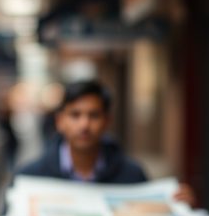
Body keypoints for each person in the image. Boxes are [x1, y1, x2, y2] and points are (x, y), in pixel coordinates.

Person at [17, 80, 195, 205]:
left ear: (107, 121)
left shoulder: (132, 175)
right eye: (75, 115)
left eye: (93, 115)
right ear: (59, 121)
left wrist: (179, 207)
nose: (84, 125)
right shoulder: (30, 176)